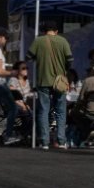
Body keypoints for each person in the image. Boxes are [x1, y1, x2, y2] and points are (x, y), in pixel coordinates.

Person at [26, 20, 74, 150]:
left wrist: (39, 59)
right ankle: (61, 140)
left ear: (44, 30)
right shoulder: (63, 41)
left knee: (43, 111)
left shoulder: (38, 41)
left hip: (43, 80)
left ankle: (44, 142)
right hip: (60, 82)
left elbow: (28, 57)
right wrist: (63, 69)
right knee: (61, 111)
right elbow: (70, 60)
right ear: (56, 31)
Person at [8, 60, 34, 133]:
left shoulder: (27, 81)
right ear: (17, 70)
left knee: (36, 114)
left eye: (26, 68)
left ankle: (24, 132)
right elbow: (12, 96)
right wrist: (23, 106)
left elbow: (28, 95)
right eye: (23, 68)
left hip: (25, 105)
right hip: (15, 106)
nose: (26, 70)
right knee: (30, 115)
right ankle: (23, 133)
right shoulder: (13, 80)